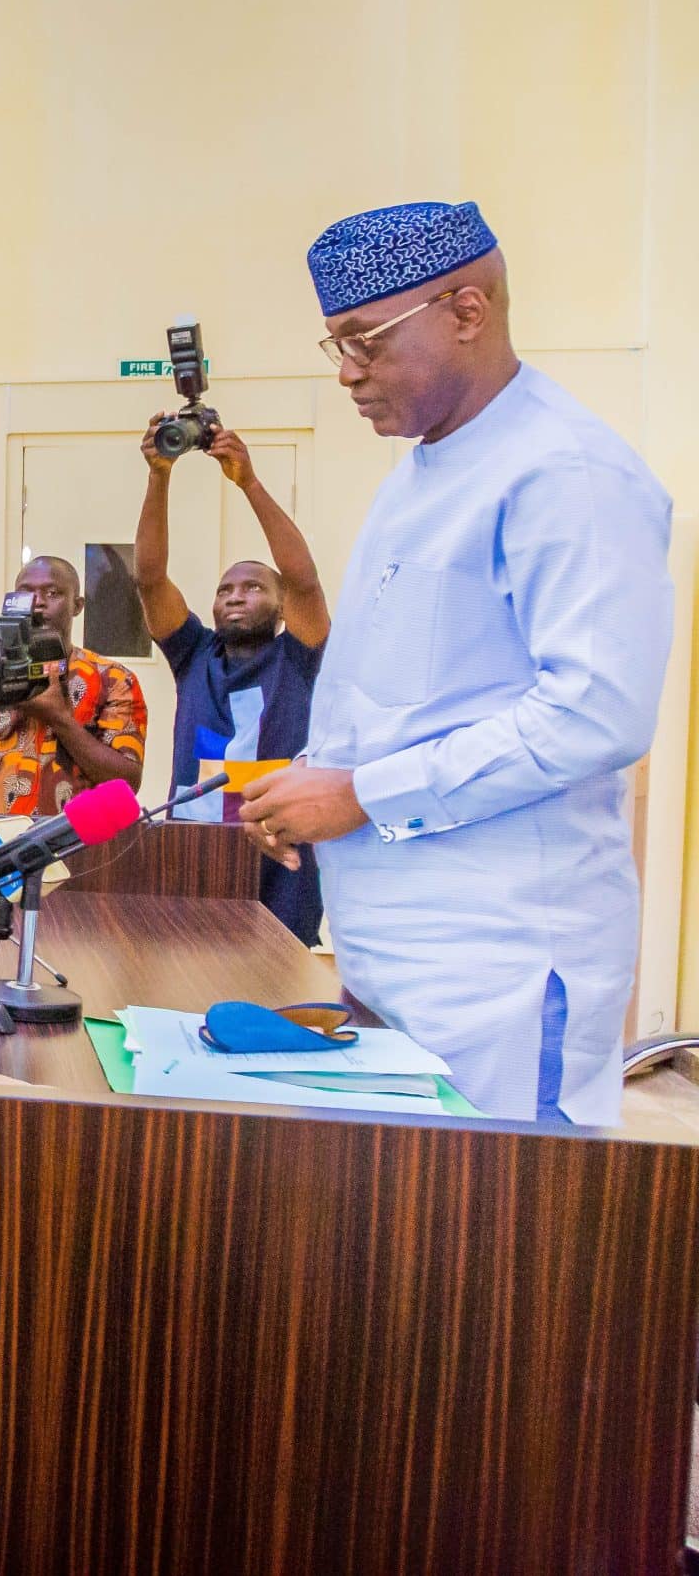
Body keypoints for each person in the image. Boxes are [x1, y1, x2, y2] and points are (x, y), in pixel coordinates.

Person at [239, 201, 672, 1126]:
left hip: (498, 979)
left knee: (498, 1221)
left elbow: (597, 715)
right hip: (391, 957)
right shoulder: (419, 474)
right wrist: (313, 782)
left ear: (467, 312)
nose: (348, 372)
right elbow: (411, 702)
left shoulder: (565, 472)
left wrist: (363, 794)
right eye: (337, 345)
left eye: (366, 341)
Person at [133, 424, 331, 944]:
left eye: (254, 587)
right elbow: (149, 578)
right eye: (225, 590)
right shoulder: (193, 653)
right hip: (193, 849)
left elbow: (304, 579)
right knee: (182, 967)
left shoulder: (299, 655)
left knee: (276, 974)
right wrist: (159, 475)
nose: (236, 596)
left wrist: (249, 483)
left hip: (279, 849)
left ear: (283, 606)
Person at [0, 554, 147, 817]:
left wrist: (60, 719)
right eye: (26, 593)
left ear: (77, 605)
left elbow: (127, 784)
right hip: (1, 834)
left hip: (78, 836)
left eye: (53, 593)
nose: (37, 602)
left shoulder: (113, 679)